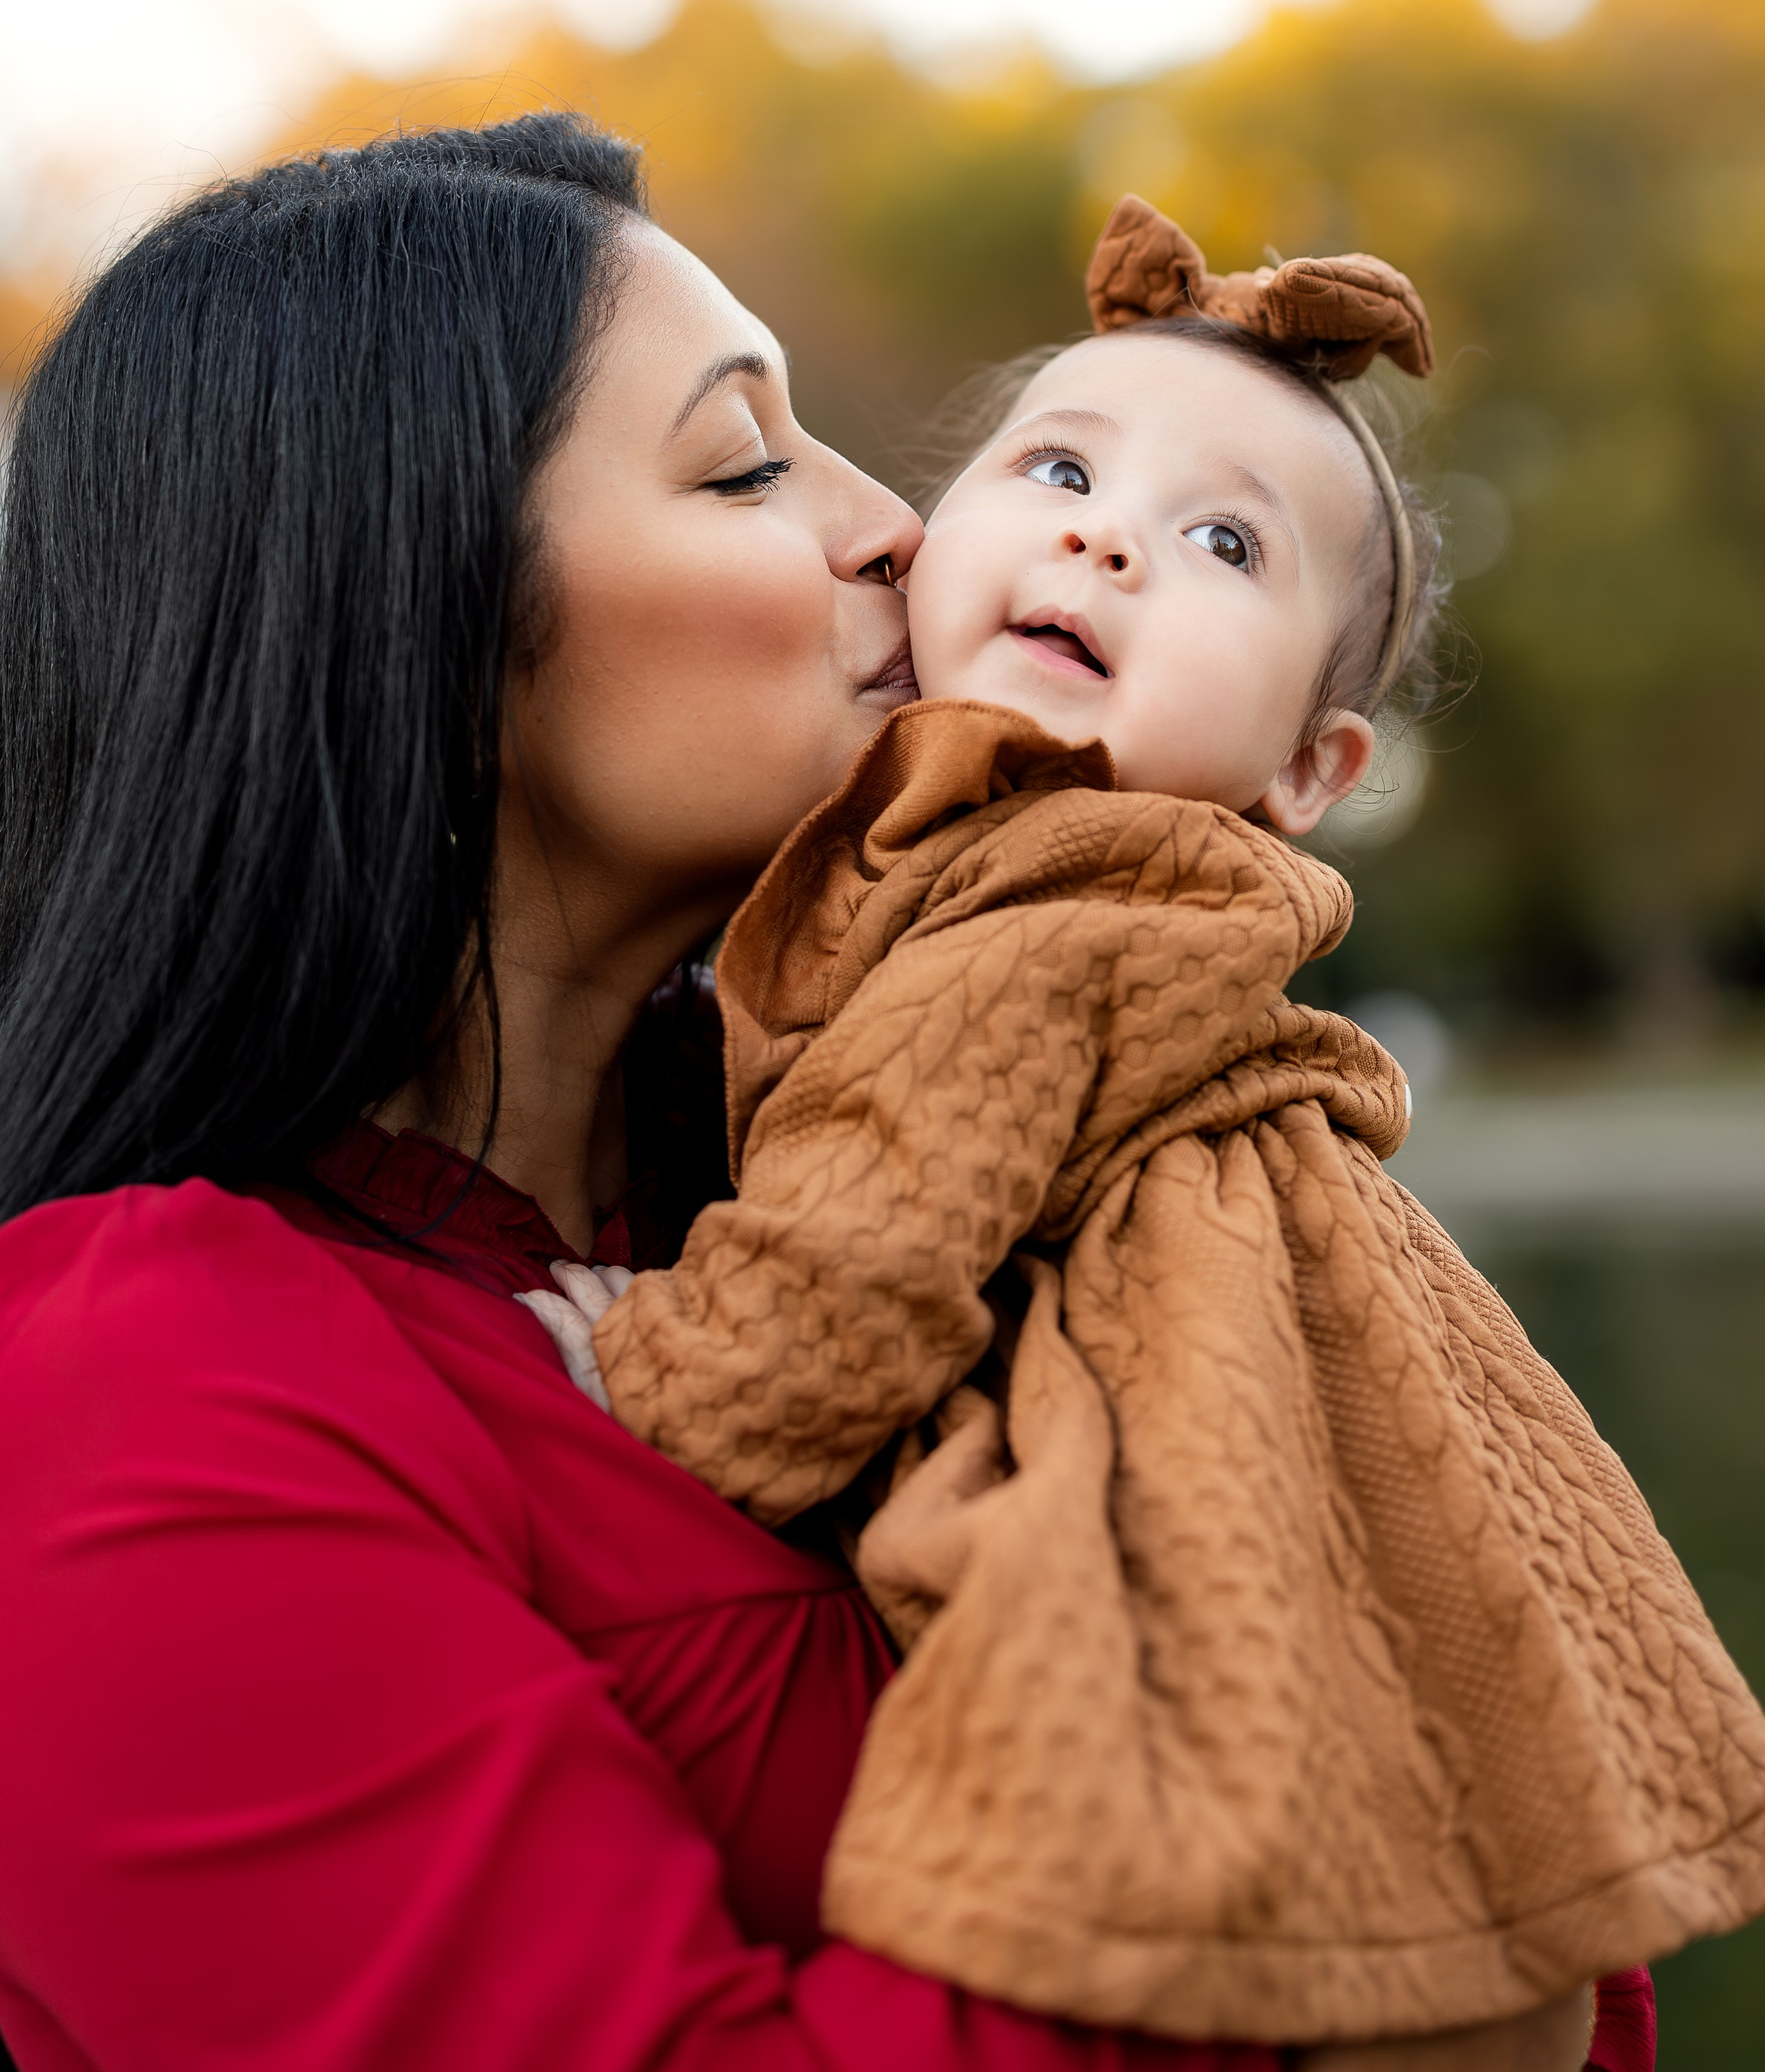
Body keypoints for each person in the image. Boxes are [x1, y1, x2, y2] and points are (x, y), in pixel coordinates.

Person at [0, 123, 1648, 2072]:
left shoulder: (937, 1178)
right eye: (744, 462)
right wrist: (1375, 1931)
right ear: (410, 618)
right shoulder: (133, 1387)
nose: (903, 529)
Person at [515, 203, 1762, 2060]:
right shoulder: (1016, 875)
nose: (1109, 535)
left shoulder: (1046, 893)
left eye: (1223, 542)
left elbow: (874, 1236)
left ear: (1311, 775)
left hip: (1268, 1665)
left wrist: (653, 1375)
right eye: (1062, 468)